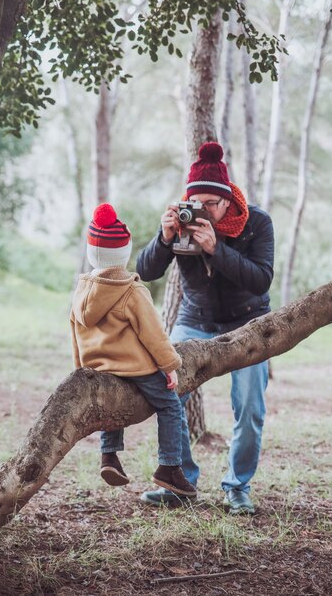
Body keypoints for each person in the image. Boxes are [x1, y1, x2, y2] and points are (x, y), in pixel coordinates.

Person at [136, 142, 274, 514]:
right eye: (195, 203)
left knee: (248, 406)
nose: (203, 211)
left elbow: (261, 280)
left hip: (248, 323)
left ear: (228, 202)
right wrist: (164, 238)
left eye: (211, 204)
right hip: (194, 320)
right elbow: (145, 272)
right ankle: (180, 483)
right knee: (168, 393)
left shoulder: (257, 222)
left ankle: (237, 486)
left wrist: (217, 249)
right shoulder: (181, 223)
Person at [70, 203, 196, 498]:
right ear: (124, 253)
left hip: (98, 368)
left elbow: (74, 333)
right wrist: (170, 366)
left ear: (92, 253)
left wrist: (81, 371)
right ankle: (169, 467)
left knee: (110, 408)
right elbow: (153, 335)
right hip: (134, 368)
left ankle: (109, 455)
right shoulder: (131, 290)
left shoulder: (82, 289)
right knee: (170, 406)